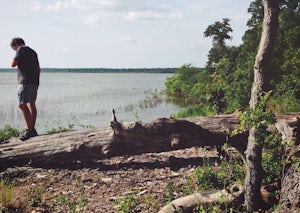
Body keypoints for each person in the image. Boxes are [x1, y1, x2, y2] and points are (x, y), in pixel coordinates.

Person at [10, 37, 40, 141]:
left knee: (22, 104)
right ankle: (32, 130)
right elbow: (38, 68)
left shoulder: (20, 49)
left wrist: (14, 56)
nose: (14, 51)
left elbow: (13, 64)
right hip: (34, 81)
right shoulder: (33, 51)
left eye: (13, 49)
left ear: (16, 44)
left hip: (25, 82)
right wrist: (36, 80)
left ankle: (29, 130)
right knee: (31, 104)